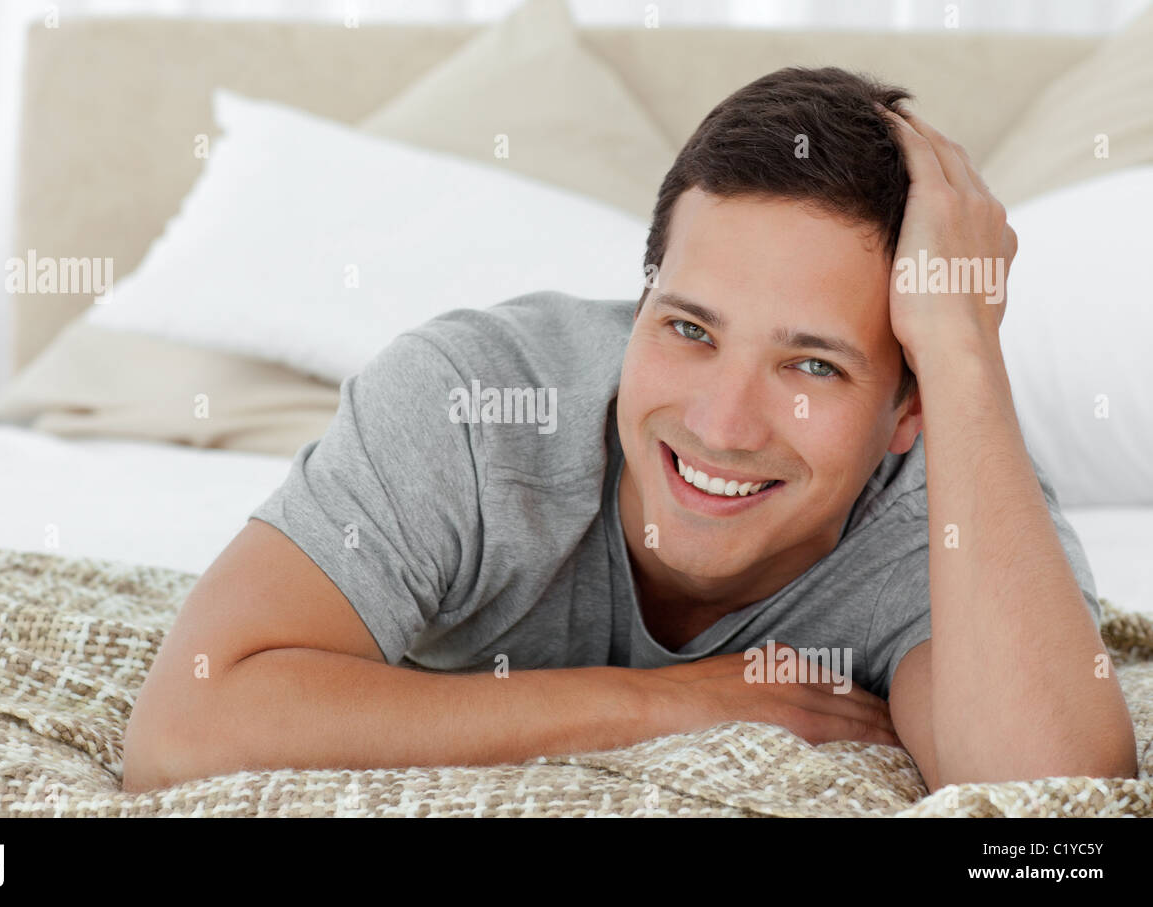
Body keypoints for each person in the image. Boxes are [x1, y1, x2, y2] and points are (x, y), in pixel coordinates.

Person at [122, 66, 1136, 794]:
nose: (720, 423)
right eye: (689, 329)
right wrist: (667, 701)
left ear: (908, 410)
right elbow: (186, 724)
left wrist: (962, 354)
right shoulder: (470, 409)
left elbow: (1049, 806)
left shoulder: (956, 519)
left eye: (811, 364)